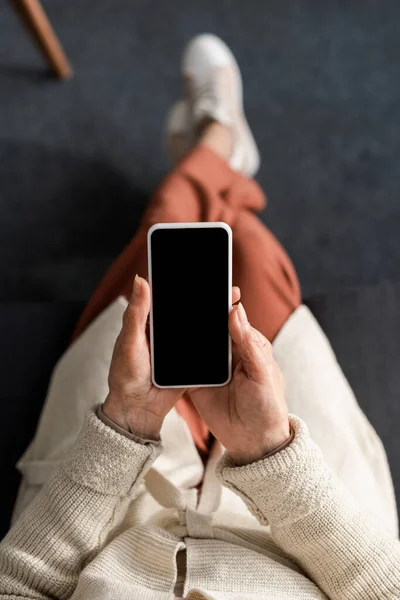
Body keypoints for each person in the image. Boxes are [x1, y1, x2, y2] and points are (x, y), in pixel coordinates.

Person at [0, 34, 399, 600]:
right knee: (250, 252)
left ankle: (213, 147)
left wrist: (125, 428)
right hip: (314, 534)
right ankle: (219, 152)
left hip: (108, 527)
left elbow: (15, 584)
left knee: (162, 242)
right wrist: (269, 453)